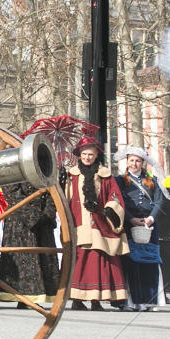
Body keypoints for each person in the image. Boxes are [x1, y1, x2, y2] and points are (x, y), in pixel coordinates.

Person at [65, 127, 128, 309]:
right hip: (78, 223)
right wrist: (62, 180)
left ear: (96, 155)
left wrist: (109, 209)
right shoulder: (72, 175)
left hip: (100, 224)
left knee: (99, 260)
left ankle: (96, 299)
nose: (87, 158)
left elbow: (115, 197)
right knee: (80, 260)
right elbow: (65, 197)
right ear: (79, 155)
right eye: (84, 154)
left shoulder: (105, 175)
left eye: (90, 154)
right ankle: (77, 299)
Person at [117, 147, 163, 310]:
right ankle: (132, 301)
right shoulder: (120, 180)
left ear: (142, 163)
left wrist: (151, 218)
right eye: (131, 160)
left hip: (149, 225)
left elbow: (159, 201)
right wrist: (131, 219)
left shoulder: (152, 180)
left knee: (149, 263)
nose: (134, 164)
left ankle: (150, 300)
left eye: (137, 161)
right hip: (130, 225)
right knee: (131, 263)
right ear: (127, 162)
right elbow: (119, 202)